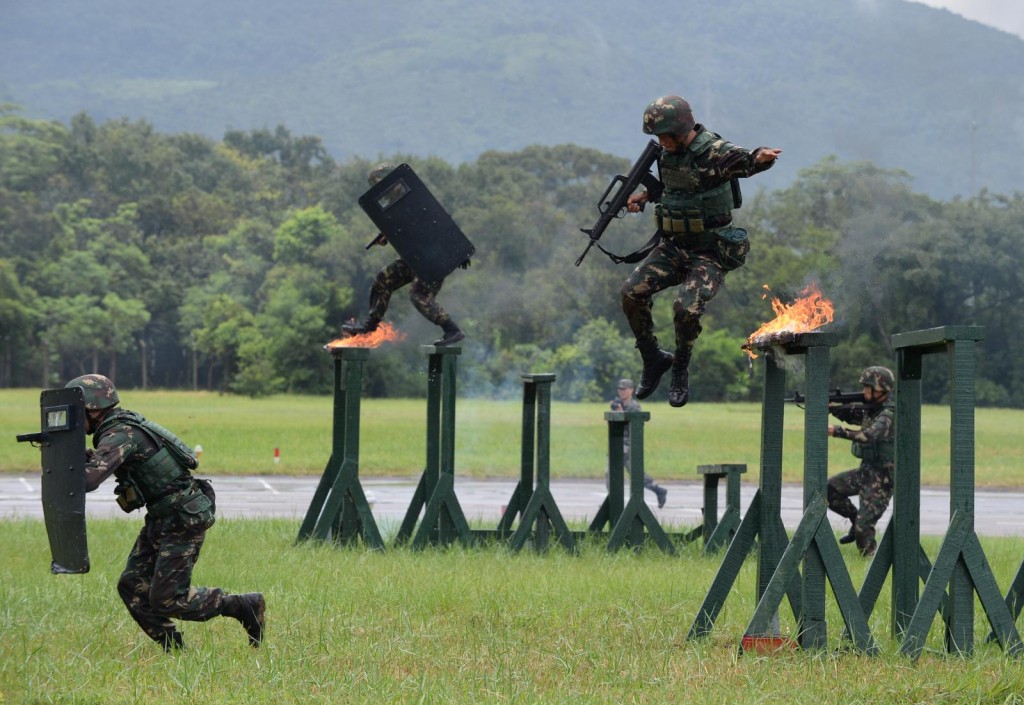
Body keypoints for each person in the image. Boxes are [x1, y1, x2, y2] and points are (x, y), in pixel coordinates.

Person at [67, 373, 265, 652]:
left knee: (169, 599)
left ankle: (242, 605)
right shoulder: (117, 427)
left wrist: (64, 456)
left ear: (93, 408)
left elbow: (88, 480)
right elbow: (107, 461)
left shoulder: (120, 433)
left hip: (182, 516)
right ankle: (174, 649)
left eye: (77, 413)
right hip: (163, 515)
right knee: (131, 585)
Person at [622, 95, 781, 407]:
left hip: (709, 251)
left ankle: (680, 367)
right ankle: (653, 358)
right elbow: (674, 189)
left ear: (681, 130)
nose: (661, 141)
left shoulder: (713, 150)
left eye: (664, 136)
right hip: (674, 247)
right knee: (631, 293)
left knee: (686, 309)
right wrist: (644, 196)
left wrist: (762, 156)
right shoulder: (667, 154)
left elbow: (747, 158)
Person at [342, 162, 465, 346]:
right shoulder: (394, 207)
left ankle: (452, 330)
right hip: (415, 256)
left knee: (419, 295)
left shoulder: (416, 199)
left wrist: (460, 250)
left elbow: (440, 221)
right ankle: (371, 325)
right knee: (384, 278)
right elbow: (405, 232)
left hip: (434, 257)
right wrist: (387, 235)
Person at [826, 366, 896, 557]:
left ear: (881, 389)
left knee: (864, 529)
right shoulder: (873, 410)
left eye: (868, 387)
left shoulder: (889, 414)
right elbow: (854, 416)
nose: (864, 392)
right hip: (866, 471)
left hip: (882, 478)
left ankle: (870, 563)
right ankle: (854, 518)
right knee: (828, 490)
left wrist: (838, 431)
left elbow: (869, 435)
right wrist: (833, 408)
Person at [608, 378, 668, 508]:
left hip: (629, 445)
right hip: (616, 444)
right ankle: (612, 500)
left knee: (636, 476)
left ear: (631, 390)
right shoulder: (617, 404)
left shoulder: (635, 407)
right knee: (612, 473)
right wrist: (614, 412)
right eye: (620, 389)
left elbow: (635, 426)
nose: (622, 392)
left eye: (624, 389)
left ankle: (658, 490)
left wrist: (621, 414)